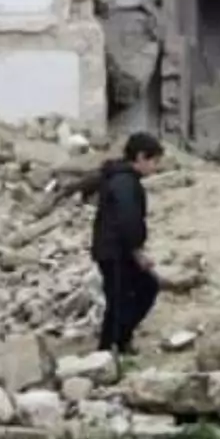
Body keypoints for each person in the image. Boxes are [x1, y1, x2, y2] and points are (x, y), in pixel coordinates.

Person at [92, 132, 166, 355]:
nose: (155, 168)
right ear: (141, 157)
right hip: (116, 252)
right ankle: (108, 350)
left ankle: (118, 343)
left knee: (129, 295)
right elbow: (128, 219)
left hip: (113, 250)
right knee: (126, 297)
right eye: (154, 161)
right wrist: (137, 251)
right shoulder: (125, 182)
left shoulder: (119, 177)